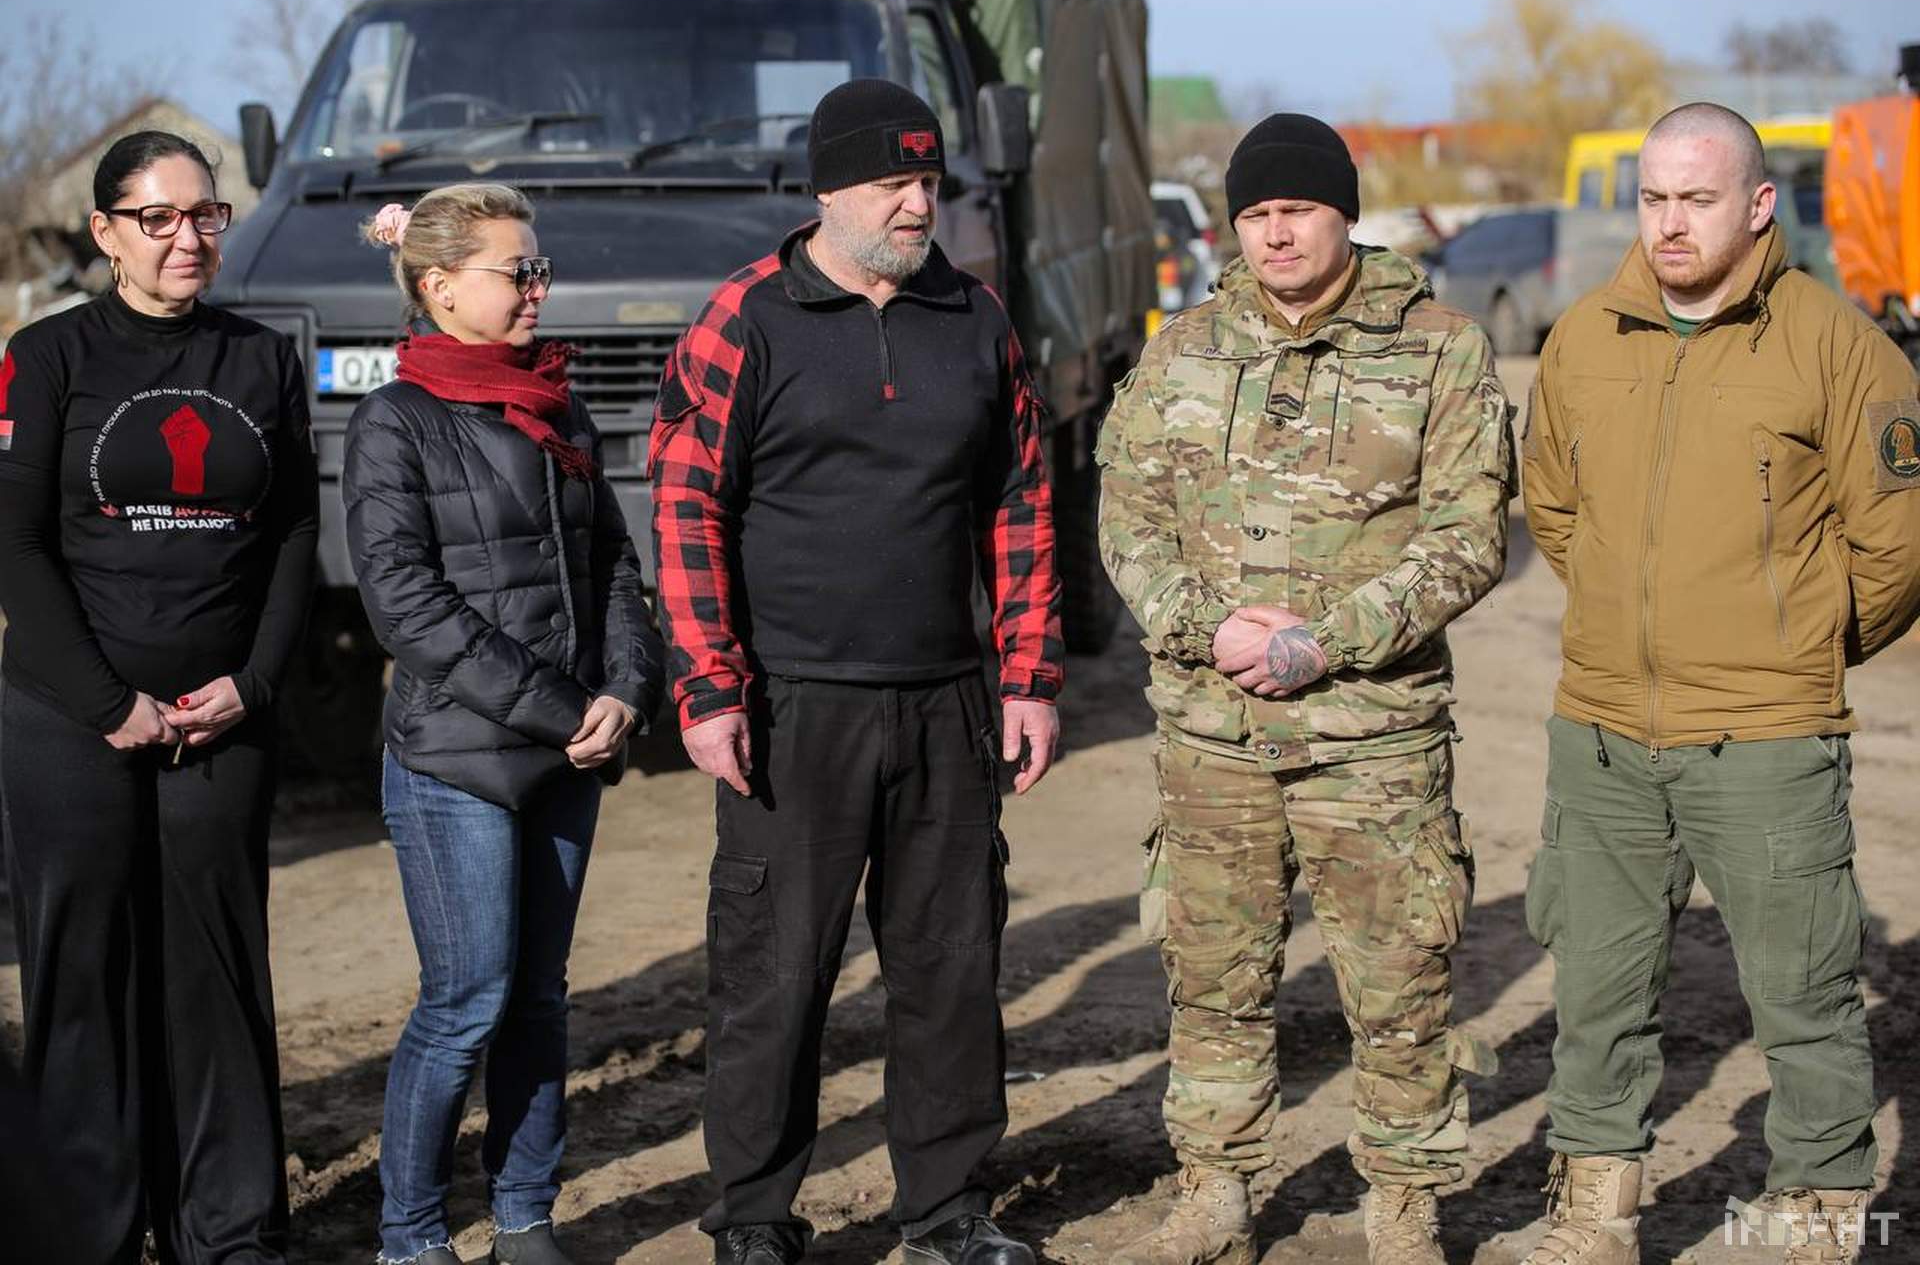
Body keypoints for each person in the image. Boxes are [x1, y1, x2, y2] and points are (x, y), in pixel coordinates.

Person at [650, 79, 1064, 1265]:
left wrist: (1028, 676)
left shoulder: (975, 317)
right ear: (827, 189)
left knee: (950, 968)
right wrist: (711, 688)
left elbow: (1023, 499)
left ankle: (945, 1208)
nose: (917, 202)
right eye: (892, 183)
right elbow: (688, 510)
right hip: (792, 707)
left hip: (946, 700)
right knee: (774, 979)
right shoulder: (745, 319)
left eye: (928, 181)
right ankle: (754, 1218)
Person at [1097, 113, 1514, 1265]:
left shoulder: (1441, 349)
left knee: (1399, 982)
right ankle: (1217, 1190)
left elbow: (1470, 538)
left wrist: (1324, 642)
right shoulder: (1180, 350)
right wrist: (1208, 625)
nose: (1277, 233)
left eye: (1299, 210)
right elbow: (1126, 522)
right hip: (1212, 734)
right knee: (1214, 978)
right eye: (1259, 214)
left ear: (1345, 214)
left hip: (1372, 737)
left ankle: (1402, 1201)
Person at [1519, 102, 1920, 1265]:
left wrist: (1795, 643)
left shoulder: (1838, 347)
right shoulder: (1584, 335)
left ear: (1756, 205)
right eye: (1652, 198)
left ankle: (1818, 1207)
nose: (1669, 223)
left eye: (1696, 199)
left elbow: (1897, 544)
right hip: (1599, 731)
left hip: (1766, 735)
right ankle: (1596, 1209)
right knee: (1596, 987)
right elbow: (1552, 505)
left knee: (1803, 990)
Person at [0, 130, 318, 1262]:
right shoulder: (46, 357)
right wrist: (106, 702)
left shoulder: (264, 358)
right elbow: (18, 548)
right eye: (159, 218)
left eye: (206, 215)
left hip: (219, 720)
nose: (188, 237)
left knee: (216, 967)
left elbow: (289, 536)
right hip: (66, 718)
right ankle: (87, 1225)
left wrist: (254, 681)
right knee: (81, 971)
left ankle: (227, 1225)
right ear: (106, 232)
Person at [344, 183, 663, 1265]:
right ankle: (410, 1234)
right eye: (514, 271)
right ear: (438, 286)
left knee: (538, 999)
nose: (537, 288)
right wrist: (568, 705)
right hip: (456, 765)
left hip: (569, 754)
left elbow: (614, 563)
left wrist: (624, 685)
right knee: (465, 1001)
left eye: (538, 268)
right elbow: (407, 607)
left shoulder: (556, 405)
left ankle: (527, 1217)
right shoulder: (397, 421)